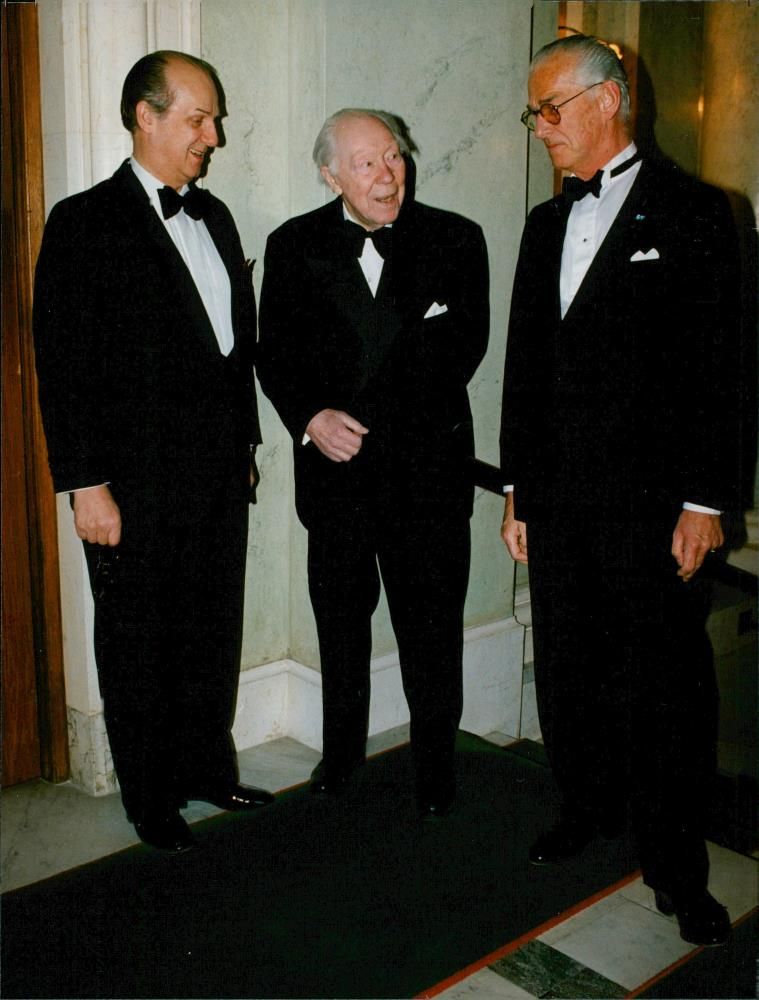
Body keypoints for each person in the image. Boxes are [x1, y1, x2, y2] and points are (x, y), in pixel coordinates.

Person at [499, 34, 740, 946]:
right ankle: (584, 807)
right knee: (568, 668)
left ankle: (678, 870)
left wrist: (705, 502)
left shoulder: (697, 211)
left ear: (607, 100)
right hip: (557, 502)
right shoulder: (542, 224)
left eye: (549, 109)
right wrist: (516, 491)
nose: (539, 128)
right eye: (533, 113)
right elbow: (525, 368)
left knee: (664, 689)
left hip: (653, 509)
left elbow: (723, 368)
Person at [33, 50, 274, 854]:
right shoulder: (83, 221)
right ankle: (150, 795)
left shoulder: (216, 216)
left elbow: (231, 351)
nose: (214, 135)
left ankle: (207, 769)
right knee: (139, 639)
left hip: (217, 474)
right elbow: (62, 364)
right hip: (130, 484)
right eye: (199, 118)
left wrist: (243, 442)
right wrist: (85, 484)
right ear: (146, 115)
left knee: (211, 628)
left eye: (214, 119)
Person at [257, 108, 489, 819]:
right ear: (330, 175)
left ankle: (434, 767)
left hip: (426, 478)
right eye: (367, 163)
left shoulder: (455, 237)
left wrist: (375, 416)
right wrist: (311, 417)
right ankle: (339, 757)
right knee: (339, 630)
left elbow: (463, 350)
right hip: (337, 478)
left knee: (432, 634)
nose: (389, 175)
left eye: (394, 156)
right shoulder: (292, 244)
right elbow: (275, 354)